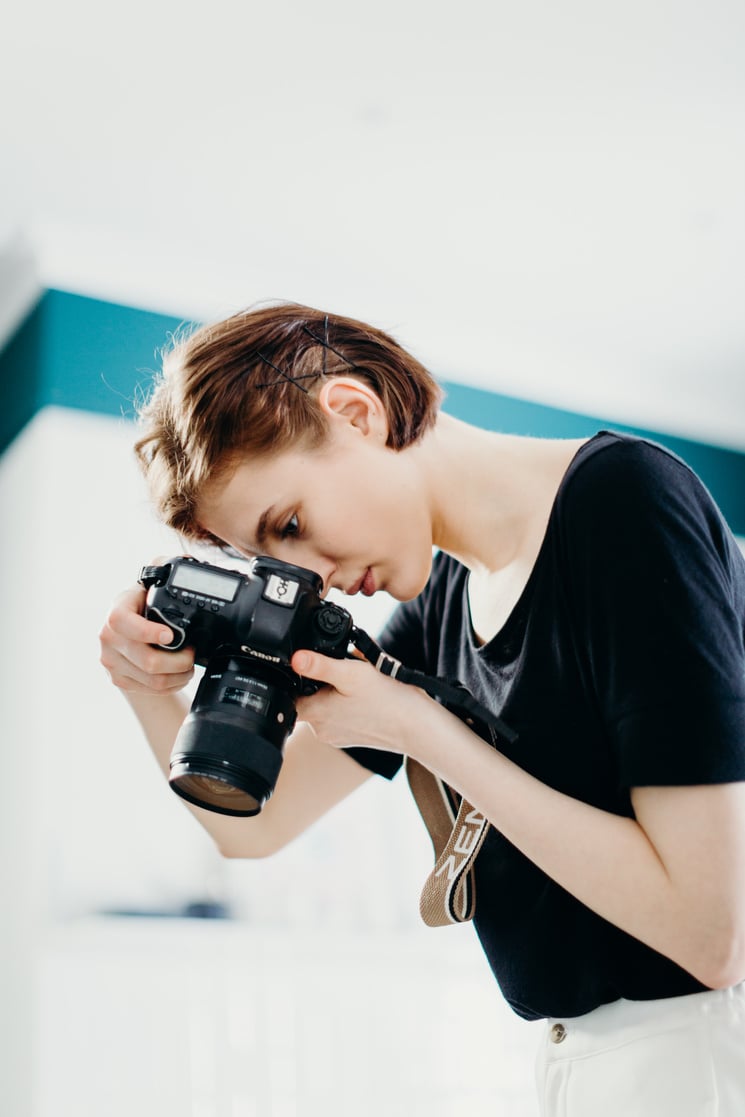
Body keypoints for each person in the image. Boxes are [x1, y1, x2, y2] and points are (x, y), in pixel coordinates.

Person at [99, 302, 745, 1116]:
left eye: (291, 524)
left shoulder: (623, 503)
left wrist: (420, 730)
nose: (312, 579)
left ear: (353, 412)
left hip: (700, 1052)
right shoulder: (439, 605)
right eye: (274, 559)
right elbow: (249, 826)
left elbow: (711, 931)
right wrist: (145, 683)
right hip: (578, 1063)